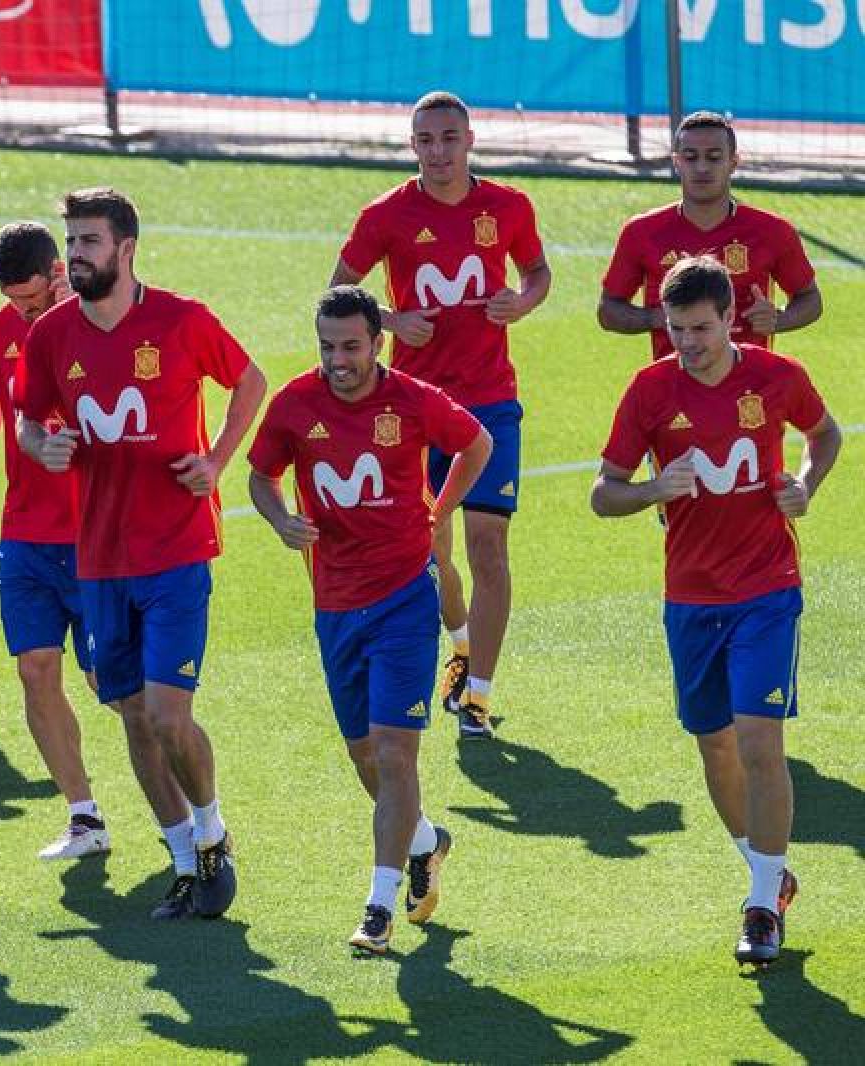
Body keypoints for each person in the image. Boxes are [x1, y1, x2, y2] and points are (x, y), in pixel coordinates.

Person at [19, 187, 266, 920]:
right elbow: (32, 421)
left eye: (90, 242)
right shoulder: (53, 334)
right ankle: (187, 863)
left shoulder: (182, 321)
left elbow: (250, 381)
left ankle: (213, 833)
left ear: (126, 249)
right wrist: (46, 446)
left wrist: (218, 461)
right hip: (97, 558)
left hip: (177, 550)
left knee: (164, 715)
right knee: (130, 714)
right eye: (71, 243)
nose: (76, 256)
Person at [590, 256, 842, 968]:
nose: (688, 343)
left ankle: (761, 905)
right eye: (676, 329)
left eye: (700, 328)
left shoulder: (774, 377)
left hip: (767, 588)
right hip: (691, 597)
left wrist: (804, 483)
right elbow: (603, 493)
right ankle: (767, 870)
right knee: (716, 745)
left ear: (730, 318)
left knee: (761, 741)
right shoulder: (648, 389)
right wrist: (652, 490)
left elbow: (824, 435)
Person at [248, 285, 491, 953]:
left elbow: (478, 444)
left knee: (394, 750)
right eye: (328, 346)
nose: (338, 359)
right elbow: (260, 476)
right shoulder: (295, 404)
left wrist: (440, 510)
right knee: (364, 757)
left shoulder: (411, 400)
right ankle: (425, 842)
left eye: (351, 346)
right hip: (334, 605)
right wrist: (279, 520)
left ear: (377, 342)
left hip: (405, 599)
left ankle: (378, 908)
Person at [330, 91, 550, 739]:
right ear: (412, 146)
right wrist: (392, 321)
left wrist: (525, 301)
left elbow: (538, 272)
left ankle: (478, 693)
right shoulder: (386, 215)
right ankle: (459, 645)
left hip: (488, 403)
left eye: (449, 138)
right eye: (426, 140)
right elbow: (338, 293)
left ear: (471, 139)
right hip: (411, 408)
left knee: (488, 545)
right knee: (430, 549)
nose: (438, 151)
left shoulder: (508, 207)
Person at [0, 221, 109, 861]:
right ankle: (84, 817)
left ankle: (187, 805)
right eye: (14, 302)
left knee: (112, 687)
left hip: (95, 540)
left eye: (35, 300)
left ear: (61, 275)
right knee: (36, 670)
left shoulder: (101, 328)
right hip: (26, 536)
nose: (24, 313)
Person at [599, 111, 822, 361]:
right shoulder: (641, 232)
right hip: (672, 389)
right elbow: (608, 311)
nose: (702, 167)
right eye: (690, 157)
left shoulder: (773, 231)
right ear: (676, 162)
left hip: (751, 390)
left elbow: (811, 299)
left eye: (714, 158)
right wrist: (654, 317)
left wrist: (779, 320)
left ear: (733, 162)